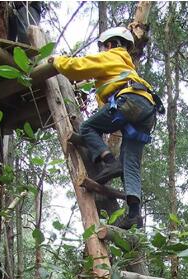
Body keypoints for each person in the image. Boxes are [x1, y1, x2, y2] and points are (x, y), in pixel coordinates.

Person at [49, 27, 163, 229]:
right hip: (147, 112)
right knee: (131, 164)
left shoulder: (112, 55)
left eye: (102, 48)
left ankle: (110, 162)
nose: (102, 51)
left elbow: (76, 66)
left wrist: (55, 61)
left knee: (87, 128)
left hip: (130, 103)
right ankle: (134, 216)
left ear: (109, 44)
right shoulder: (127, 68)